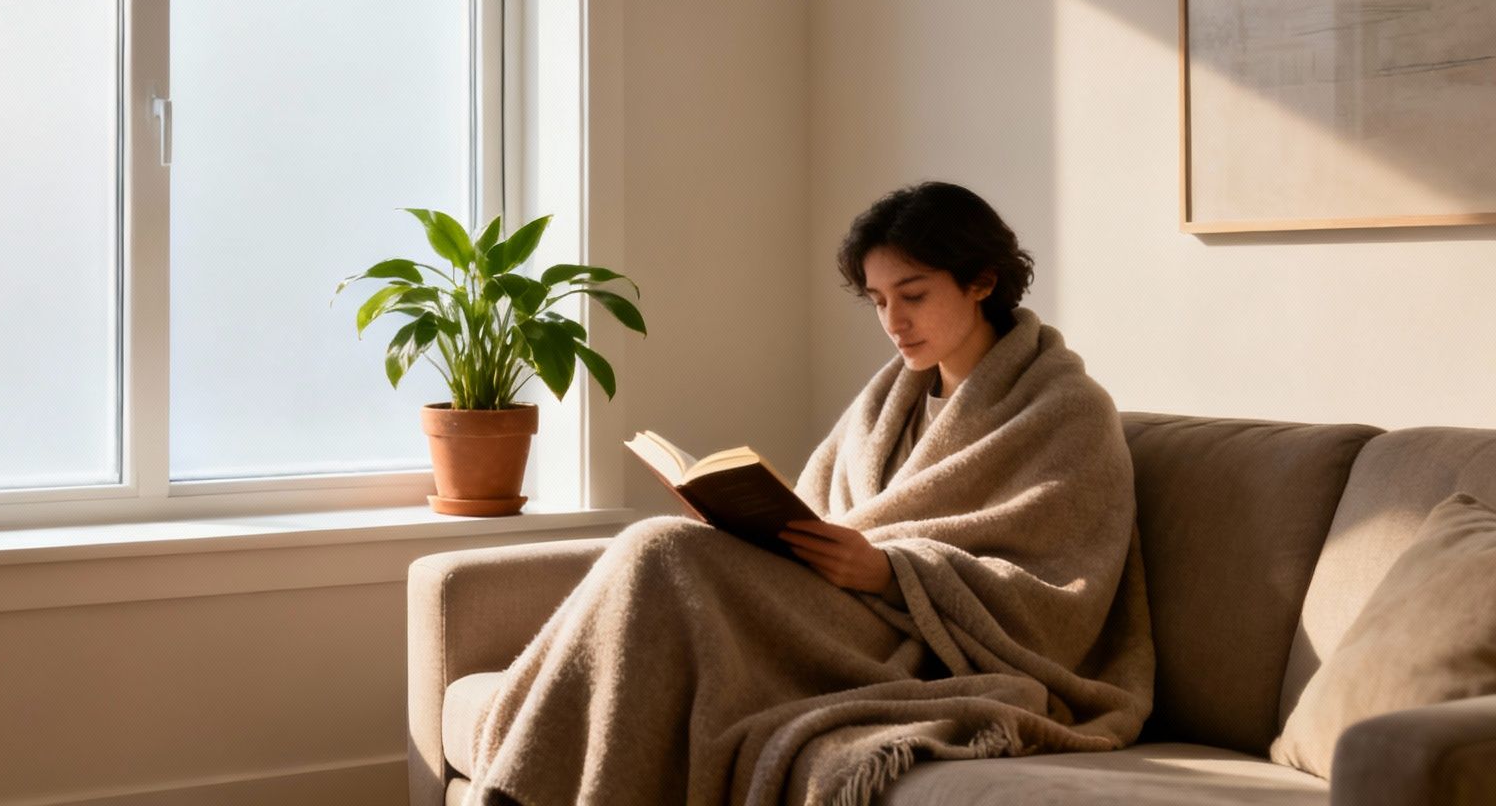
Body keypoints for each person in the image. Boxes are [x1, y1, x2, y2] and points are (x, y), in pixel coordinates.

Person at [467, 181, 1154, 806]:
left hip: (919, 641)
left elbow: (1061, 600)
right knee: (658, 547)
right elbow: (822, 508)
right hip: (833, 602)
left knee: (657, 549)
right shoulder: (890, 397)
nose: (893, 322)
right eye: (879, 301)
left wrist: (892, 572)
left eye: (912, 295)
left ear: (982, 281)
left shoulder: (1066, 411)